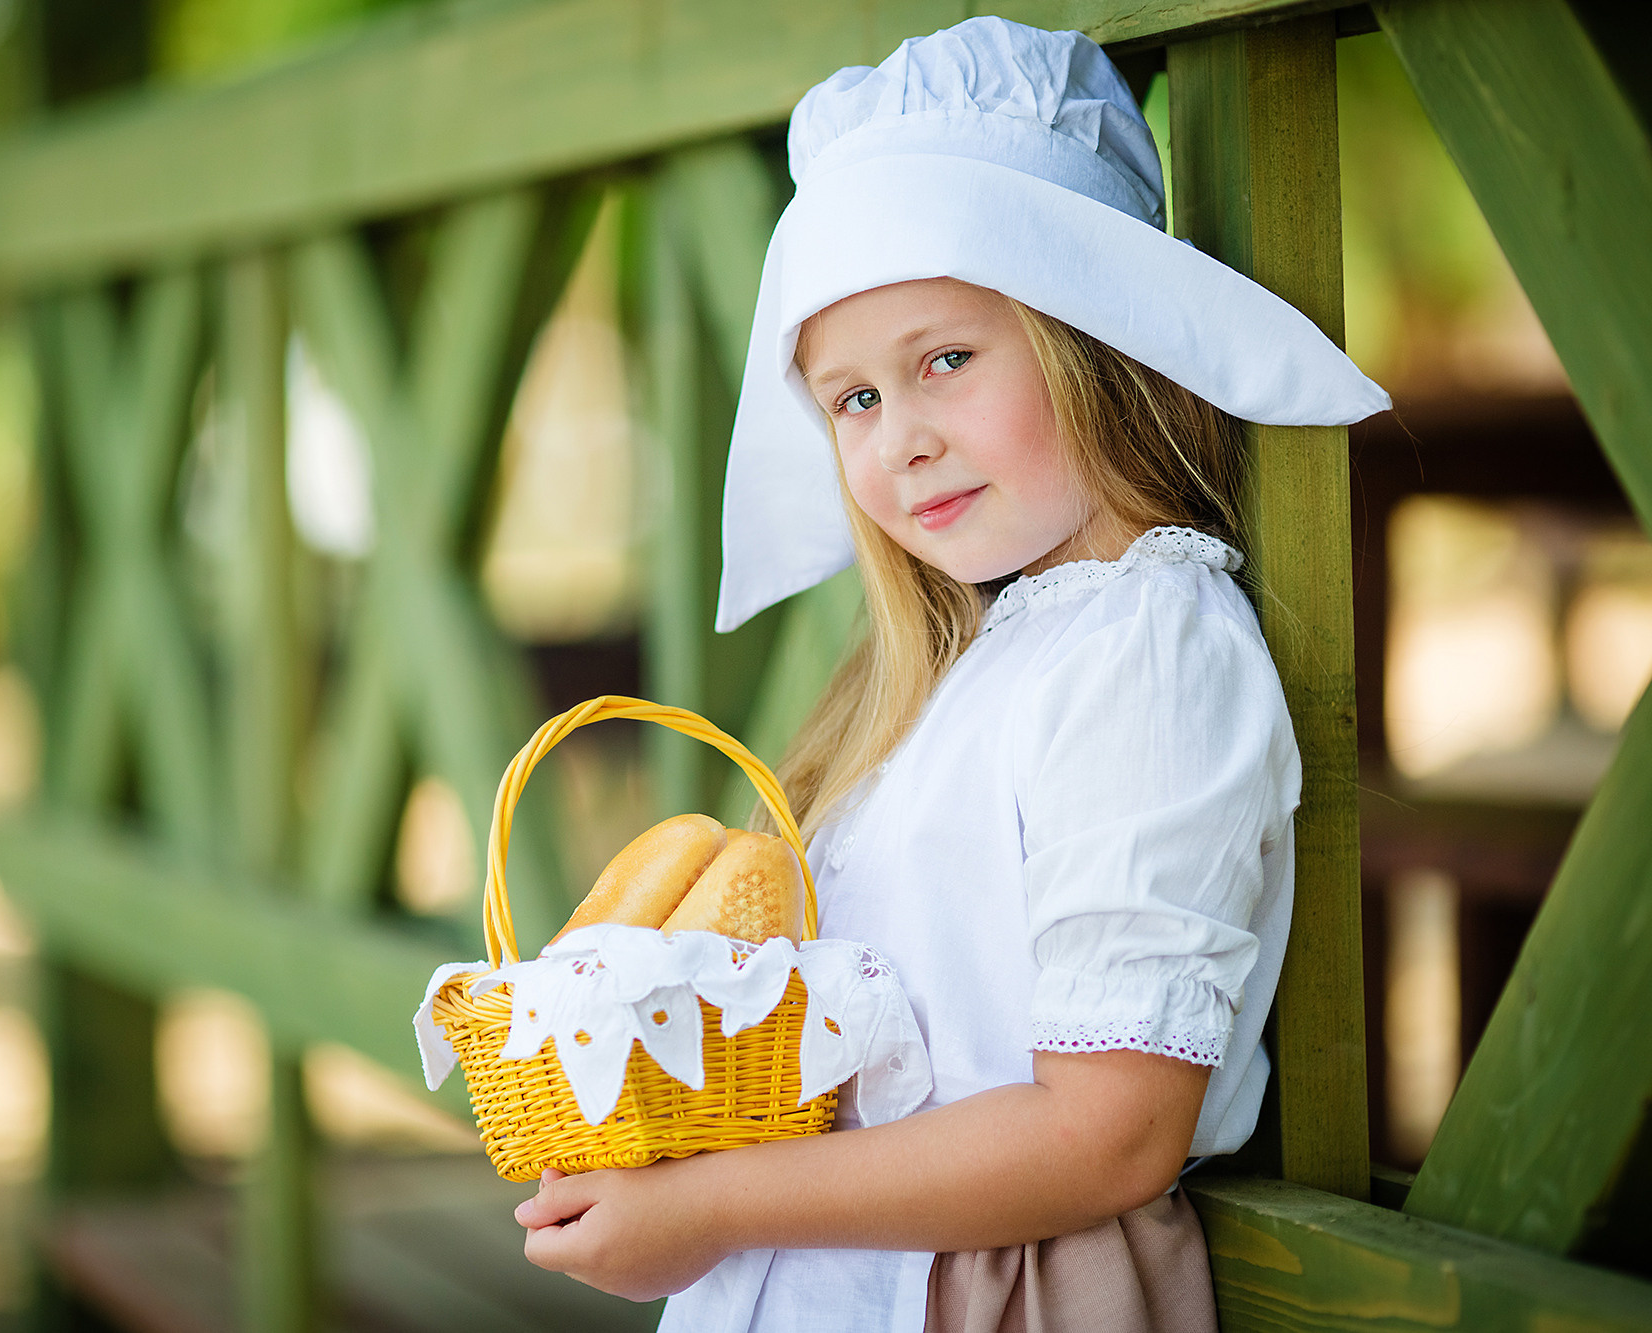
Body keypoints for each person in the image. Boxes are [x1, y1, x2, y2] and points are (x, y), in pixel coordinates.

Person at [514, 17, 1389, 1332]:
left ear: (1092, 328)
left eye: (945, 360)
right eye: (853, 399)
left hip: (988, 1290)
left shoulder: (1142, 652)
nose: (903, 442)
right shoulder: (958, 656)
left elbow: (1106, 1133)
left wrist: (718, 1207)